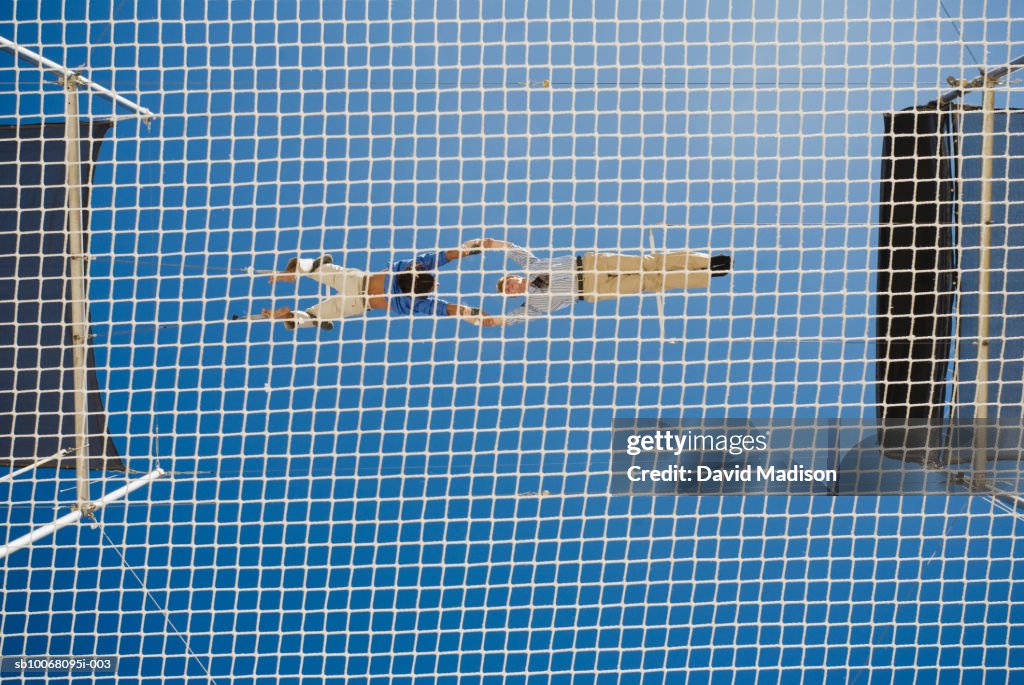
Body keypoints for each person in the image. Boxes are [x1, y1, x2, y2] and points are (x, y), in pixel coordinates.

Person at [261, 239, 502, 329]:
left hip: (358, 280)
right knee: (316, 316)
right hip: (360, 304)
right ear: (425, 291)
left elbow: (445, 255)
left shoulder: (409, 266)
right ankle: (291, 316)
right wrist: (480, 317)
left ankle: (296, 271)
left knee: (319, 268)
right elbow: (450, 310)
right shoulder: (413, 303)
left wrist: (476, 248)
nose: (437, 286)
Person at [490, 239, 731, 325]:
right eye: (508, 291)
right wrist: (469, 314)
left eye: (508, 283)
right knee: (652, 282)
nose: (510, 287)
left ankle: (706, 260)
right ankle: (708, 273)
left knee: (649, 263)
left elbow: (509, 247)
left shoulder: (531, 265)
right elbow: (504, 320)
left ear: (514, 276)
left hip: (591, 265)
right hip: (593, 290)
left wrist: (482, 244)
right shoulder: (532, 306)